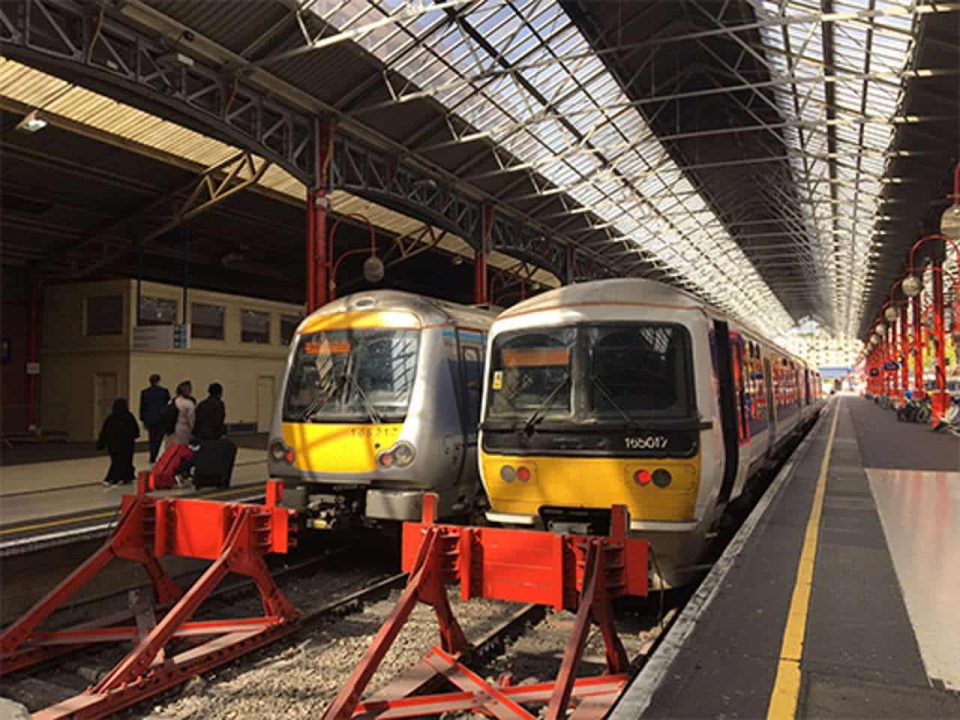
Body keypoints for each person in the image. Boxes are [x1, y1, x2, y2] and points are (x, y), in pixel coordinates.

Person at [97, 398, 140, 486]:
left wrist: (101, 444)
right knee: (127, 460)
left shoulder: (111, 418)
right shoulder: (129, 417)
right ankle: (125, 476)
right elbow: (135, 430)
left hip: (114, 445)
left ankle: (114, 478)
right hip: (127, 444)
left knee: (116, 461)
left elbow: (105, 432)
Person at [139, 374, 171, 463]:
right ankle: (158, 455)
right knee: (159, 439)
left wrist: (143, 419)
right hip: (161, 419)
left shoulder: (145, 392)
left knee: (152, 438)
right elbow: (168, 407)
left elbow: (142, 407)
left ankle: (152, 456)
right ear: (158, 381)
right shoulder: (164, 392)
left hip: (150, 419)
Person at [164, 380, 196, 448]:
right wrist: (194, 431)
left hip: (171, 429)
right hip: (184, 430)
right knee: (182, 450)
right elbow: (191, 420)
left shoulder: (171, 401)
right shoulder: (188, 403)